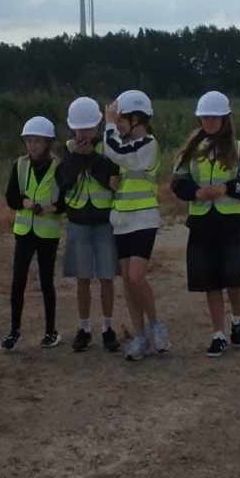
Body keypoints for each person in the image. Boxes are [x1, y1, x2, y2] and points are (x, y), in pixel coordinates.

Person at [170, 91, 240, 358]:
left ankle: (238, 319)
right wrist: (196, 192)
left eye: (214, 117)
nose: (209, 122)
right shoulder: (190, 150)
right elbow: (178, 182)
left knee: (232, 275)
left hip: (229, 222)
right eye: (205, 117)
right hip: (201, 222)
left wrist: (226, 188)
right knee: (209, 280)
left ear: (224, 119)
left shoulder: (239, 149)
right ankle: (218, 334)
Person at [105, 89, 169, 361]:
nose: (118, 124)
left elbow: (116, 152)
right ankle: (140, 336)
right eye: (117, 120)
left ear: (137, 119)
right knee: (128, 282)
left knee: (135, 277)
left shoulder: (148, 144)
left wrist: (108, 125)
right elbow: (120, 163)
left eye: (121, 119)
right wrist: (114, 183)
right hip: (121, 219)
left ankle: (155, 326)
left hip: (144, 218)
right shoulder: (128, 146)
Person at [55, 97, 122, 353]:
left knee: (106, 278)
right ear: (72, 128)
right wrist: (77, 158)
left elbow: (111, 178)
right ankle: (83, 328)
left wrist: (90, 158)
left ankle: (107, 328)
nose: (83, 133)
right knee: (82, 279)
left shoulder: (108, 147)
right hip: (78, 221)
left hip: (105, 221)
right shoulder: (67, 151)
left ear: (97, 126)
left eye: (88, 128)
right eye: (79, 129)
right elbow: (64, 182)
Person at [1, 116, 62, 350]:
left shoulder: (58, 167)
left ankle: (51, 331)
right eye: (29, 141)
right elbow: (11, 197)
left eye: (37, 141)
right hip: (24, 232)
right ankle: (13, 331)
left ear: (47, 142)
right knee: (18, 282)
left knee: (47, 282)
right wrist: (25, 203)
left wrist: (50, 208)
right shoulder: (20, 165)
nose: (32, 145)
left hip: (48, 233)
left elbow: (65, 200)